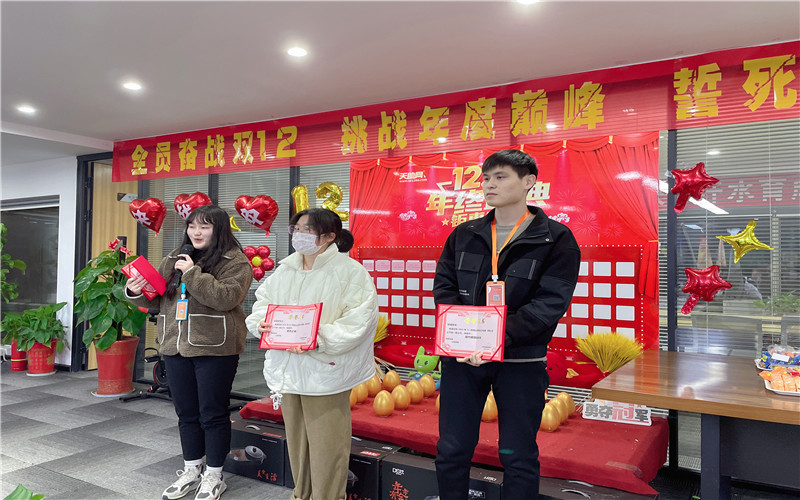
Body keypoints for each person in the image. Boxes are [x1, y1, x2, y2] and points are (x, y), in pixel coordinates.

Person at [433, 149, 581, 500]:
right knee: (452, 448)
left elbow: (550, 303)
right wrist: (465, 339)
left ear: (529, 182)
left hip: (521, 361)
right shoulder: (464, 234)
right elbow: (445, 287)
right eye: (486, 178)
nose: (489, 184)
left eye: (500, 177)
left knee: (518, 454)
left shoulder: (555, 238)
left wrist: (496, 338)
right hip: (463, 359)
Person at [245, 208, 378, 500]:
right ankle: (301, 494)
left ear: (329, 236)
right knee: (297, 441)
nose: (299, 235)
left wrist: (318, 339)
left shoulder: (350, 272)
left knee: (328, 445)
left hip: (325, 371)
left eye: (308, 230)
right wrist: (261, 323)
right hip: (287, 367)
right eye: (296, 229)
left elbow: (360, 321)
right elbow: (262, 303)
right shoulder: (286, 269)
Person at [125, 205, 253, 500]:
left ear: (218, 229)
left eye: (204, 227)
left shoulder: (235, 261)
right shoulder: (174, 258)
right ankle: (192, 469)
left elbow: (225, 298)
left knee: (213, 413)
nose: (196, 232)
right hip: (175, 345)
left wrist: (193, 273)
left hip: (215, 347)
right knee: (186, 413)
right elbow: (158, 301)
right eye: (192, 226)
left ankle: (214, 475)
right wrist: (136, 291)